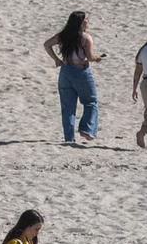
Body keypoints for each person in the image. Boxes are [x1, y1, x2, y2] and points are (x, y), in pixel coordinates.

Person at [44, 11, 106, 145]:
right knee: (91, 101)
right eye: (86, 20)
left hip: (65, 71)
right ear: (81, 22)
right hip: (81, 71)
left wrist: (56, 59)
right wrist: (97, 58)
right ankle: (87, 129)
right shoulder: (85, 37)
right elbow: (89, 57)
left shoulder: (63, 36)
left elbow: (47, 44)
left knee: (68, 107)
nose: (88, 22)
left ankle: (69, 138)